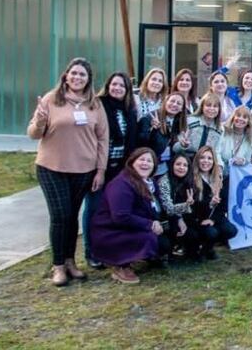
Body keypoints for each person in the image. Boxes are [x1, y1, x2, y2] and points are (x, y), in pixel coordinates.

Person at [27, 57, 109, 287]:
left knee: (72, 217)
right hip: (52, 168)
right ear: (66, 75)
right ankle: (58, 266)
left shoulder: (94, 104)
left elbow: (103, 138)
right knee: (60, 215)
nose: (77, 77)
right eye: (73, 73)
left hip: (84, 169)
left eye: (82, 74)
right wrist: (40, 120)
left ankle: (71, 261)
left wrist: (100, 170)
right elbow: (33, 133)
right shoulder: (51, 99)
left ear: (88, 79)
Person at [84, 71, 140, 268]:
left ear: (127, 91)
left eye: (121, 86)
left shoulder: (129, 110)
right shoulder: (98, 106)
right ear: (108, 86)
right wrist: (99, 169)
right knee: (94, 209)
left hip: (119, 169)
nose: (117, 88)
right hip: (99, 167)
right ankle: (90, 251)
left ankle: (108, 249)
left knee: (112, 212)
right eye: (114, 85)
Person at [89, 147, 167, 284]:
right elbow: (120, 216)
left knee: (165, 241)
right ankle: (121, 265)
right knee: (151, 238)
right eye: (141, 159)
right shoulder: (121, 184)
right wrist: (150, 224)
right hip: (110, 232)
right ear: (132, 162)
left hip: (130, 226)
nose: (145, 163)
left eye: (149, 161)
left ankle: (144, 256)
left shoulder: (150, 183)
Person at [190, 145, 237, 259]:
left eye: (209, 158)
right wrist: (209, 204)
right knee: (211, 232)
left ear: (214, 161)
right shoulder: (192, 179)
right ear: (197, 160)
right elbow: (193, 207)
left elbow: (224, 205)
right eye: (202, 158)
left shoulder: (219, 179)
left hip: (214, 217)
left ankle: (208, 248)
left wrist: (212, 219)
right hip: (197, 219)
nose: (206, 161)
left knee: (231, 230)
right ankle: (195, 249)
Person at [156, 153, 200, 260]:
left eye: (185, 165)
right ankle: (165, 254)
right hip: (165, 219)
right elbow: (168, 209)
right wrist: (185, 207)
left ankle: (189, 251)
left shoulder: (190, 181)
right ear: (172, 165)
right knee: (174, 228)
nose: (181, 167)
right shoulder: (164, 181)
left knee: (195, 231)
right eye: (178, 164)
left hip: (183, 216)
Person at [141, 91, 189, 177]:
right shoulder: (150, 117)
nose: (174, 104)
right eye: (172, 101)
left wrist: (182, 145)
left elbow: (172, 147)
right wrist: (153, 130)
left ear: (182, 108)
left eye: (178, 103)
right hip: (148, 165)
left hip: (165, 167)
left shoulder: (178, 123)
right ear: (165, 102)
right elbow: (141, 142)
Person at [179, 92, 223, 160]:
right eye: (208, 105)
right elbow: (175, 147)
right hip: (187, 161)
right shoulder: (190, 121)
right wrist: (183, 145)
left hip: (206, 164)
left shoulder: (220, 129)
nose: (212, 109)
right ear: (202, 107)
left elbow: (217, 152)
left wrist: (219, 166)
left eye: (215, 106)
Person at [218, 106, 252, 179]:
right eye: (238, 115)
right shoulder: (223, 131)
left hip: (236, 178)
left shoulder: (249, 138)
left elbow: (247, 160)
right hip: (219, 174)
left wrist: (243, 161)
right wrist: (220, 167)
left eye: (244, 117)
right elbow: (216, 152)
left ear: (248, 122)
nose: (240, 119)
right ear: (233, 118)